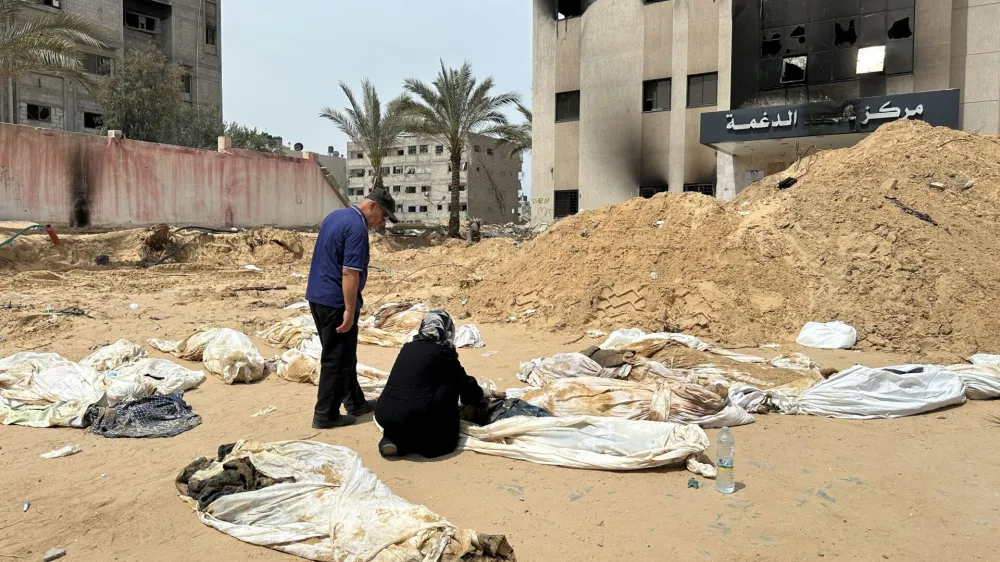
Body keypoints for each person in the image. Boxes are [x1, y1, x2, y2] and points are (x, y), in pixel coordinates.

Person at [306, 187, 398, 429]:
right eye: (384, 216)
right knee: (335, 359)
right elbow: (349, 272)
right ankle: (325, 414)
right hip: (335, 301)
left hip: (318, 296)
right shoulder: (357, 228)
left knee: (345, 355)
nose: (382, 222)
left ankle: (355, 402)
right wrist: (349, 309)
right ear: (373, 206)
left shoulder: (336, 216)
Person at [374, 311, 485, 458]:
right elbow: (464, 383)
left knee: (410, 394)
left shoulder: (408, 348)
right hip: (416, 418)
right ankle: (427, 444)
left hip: (384, 414)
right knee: (449, 385)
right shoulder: (442, 352)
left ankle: (393, 440)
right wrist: (477, 398)